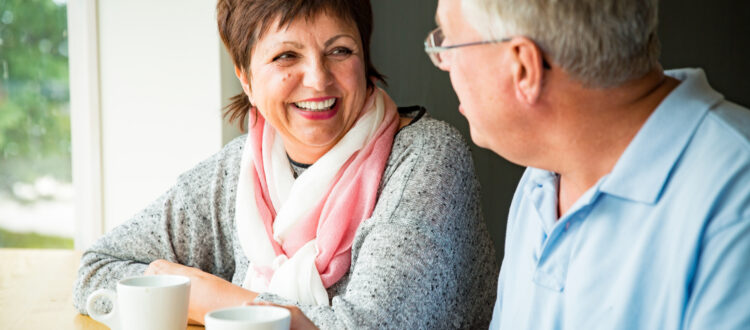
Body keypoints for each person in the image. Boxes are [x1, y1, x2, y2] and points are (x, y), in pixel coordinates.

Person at [73, 0, 499, 328]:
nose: (318, 79)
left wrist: (213, 300)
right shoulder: (237, 171)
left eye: (339, 50)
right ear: (245, 76)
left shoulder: (427, 157)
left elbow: (373, 325)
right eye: (285, 56)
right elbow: (97, 268)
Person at [426, 0, 750, 329]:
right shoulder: (540, 183)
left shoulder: (735, 207)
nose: (443, 61)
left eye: (450, 40)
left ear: (523, 68)